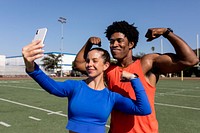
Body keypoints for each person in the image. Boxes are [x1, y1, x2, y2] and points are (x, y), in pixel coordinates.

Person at [73, 21, 199, 133]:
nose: (114, 45)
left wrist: (166, 32)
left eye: (119, 40)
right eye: (111, 41)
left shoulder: (147, 63)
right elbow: (78, 64)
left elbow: (190, 60)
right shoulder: (108, 69)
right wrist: (89, 43)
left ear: (131, 44)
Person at [22, 40, 151, 133]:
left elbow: (144, 109)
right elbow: (52, 87)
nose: (89, 64)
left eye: (95, 61)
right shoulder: (75, 86)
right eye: (88, 61)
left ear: (105, 65)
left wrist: (134, 79)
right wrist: (31, 66)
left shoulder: (111, 97)